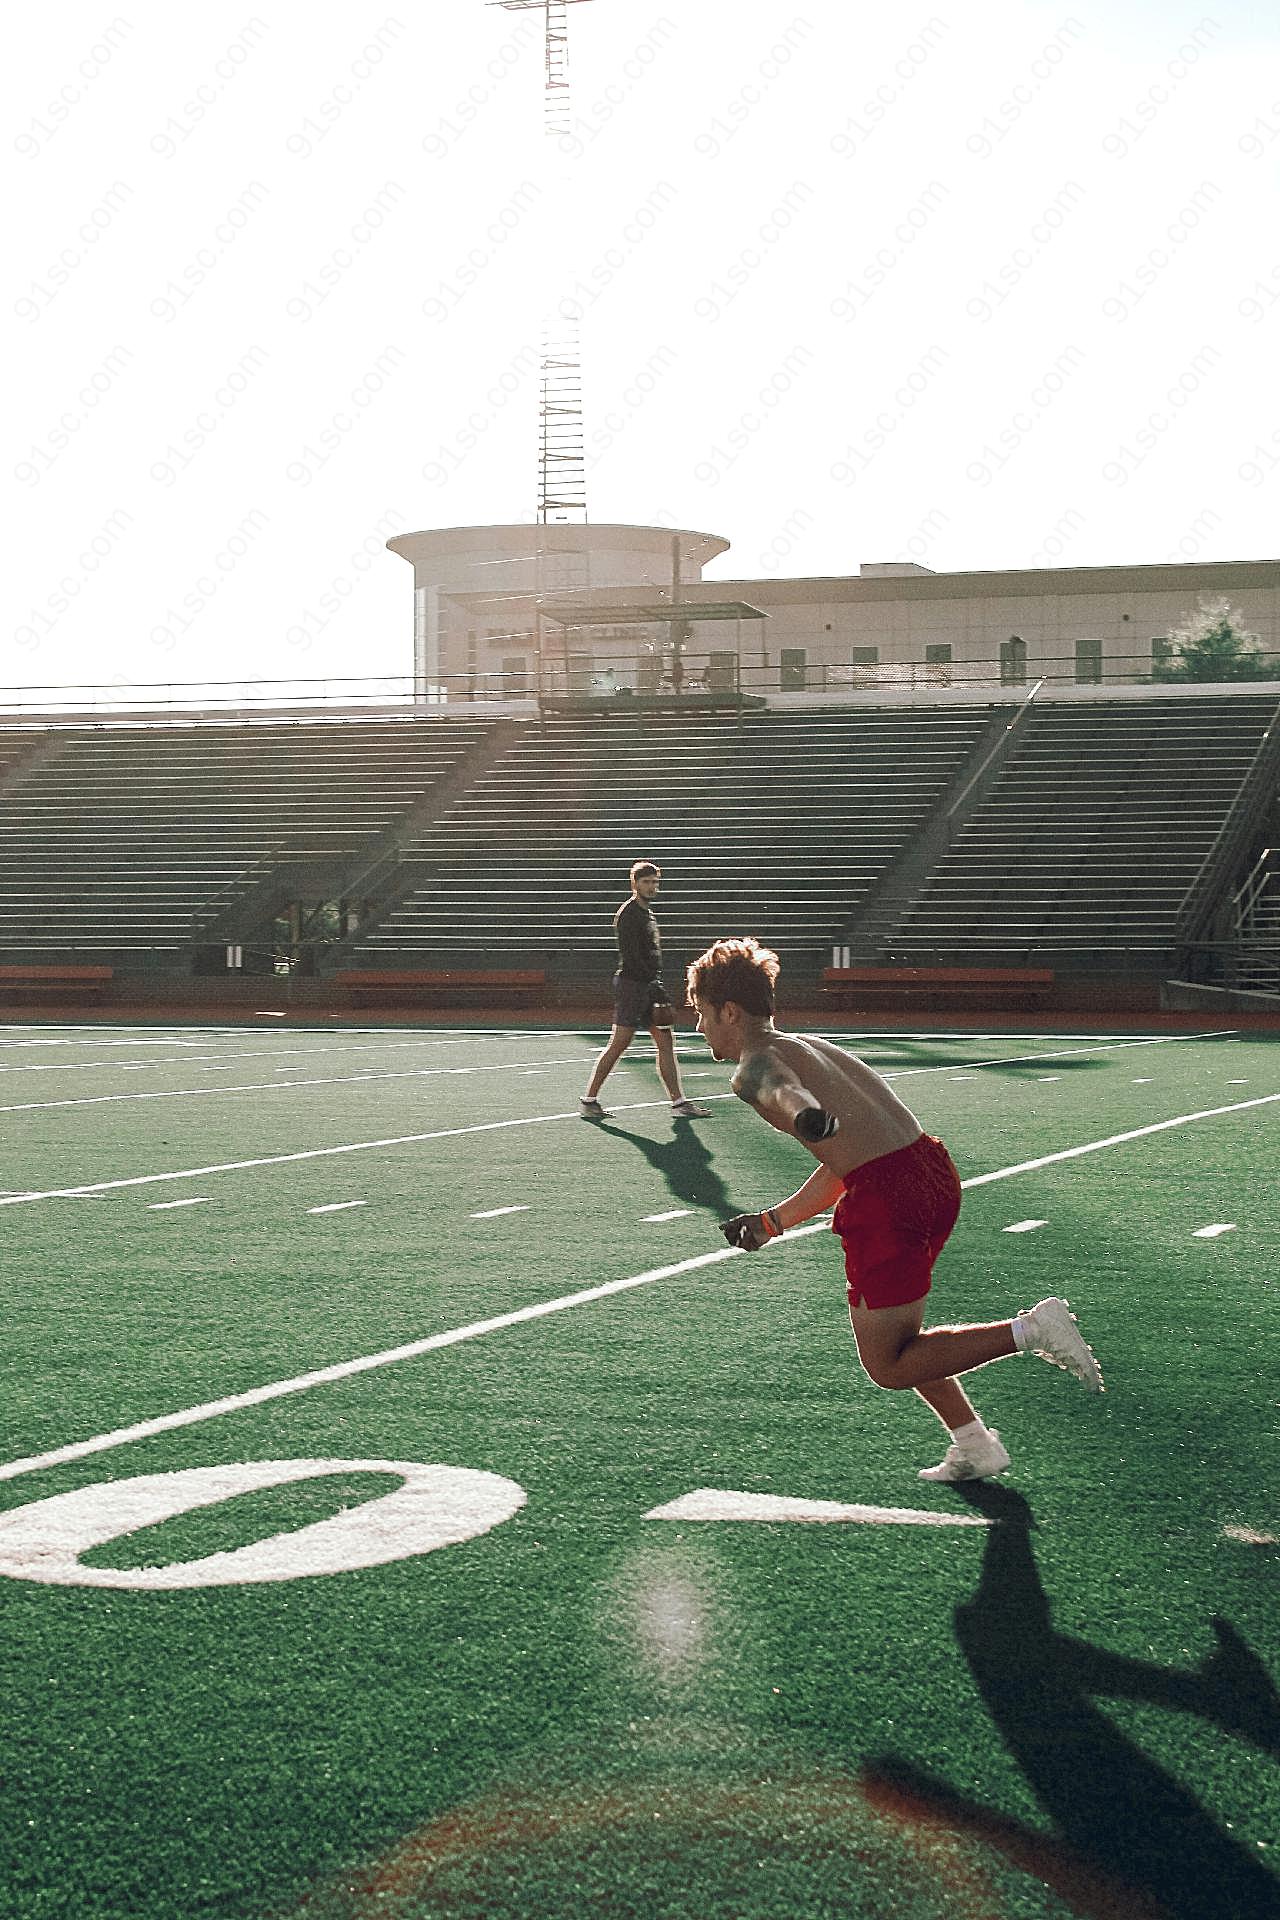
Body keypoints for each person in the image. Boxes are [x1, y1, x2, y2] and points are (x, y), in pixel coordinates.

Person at [684, 935, 1103, 1482]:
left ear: (730, 1011)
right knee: (902, 1336)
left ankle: (1030, 1331)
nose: (698, 1027)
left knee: (887, 1363)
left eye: (700, 1013)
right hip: (929, 1170)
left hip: (890, 1196)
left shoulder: (753, 1066)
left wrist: (806, 1115)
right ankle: (975, 1444)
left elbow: (782, 1092)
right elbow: (847, 1161)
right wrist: (773, 1221)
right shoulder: (810, 1045)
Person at [581, 861, 710, 1121]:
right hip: (633, 986)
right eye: (646, 882)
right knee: (619, 1043)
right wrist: (653, 985)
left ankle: (678, 1103)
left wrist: (655, 984)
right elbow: (632, 958)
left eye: (654, 882)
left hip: (647, 984)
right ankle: (589, 1100)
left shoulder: (647, 913)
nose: (652, 887)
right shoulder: (628, 915)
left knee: (665, 1041)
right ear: (635, 883)